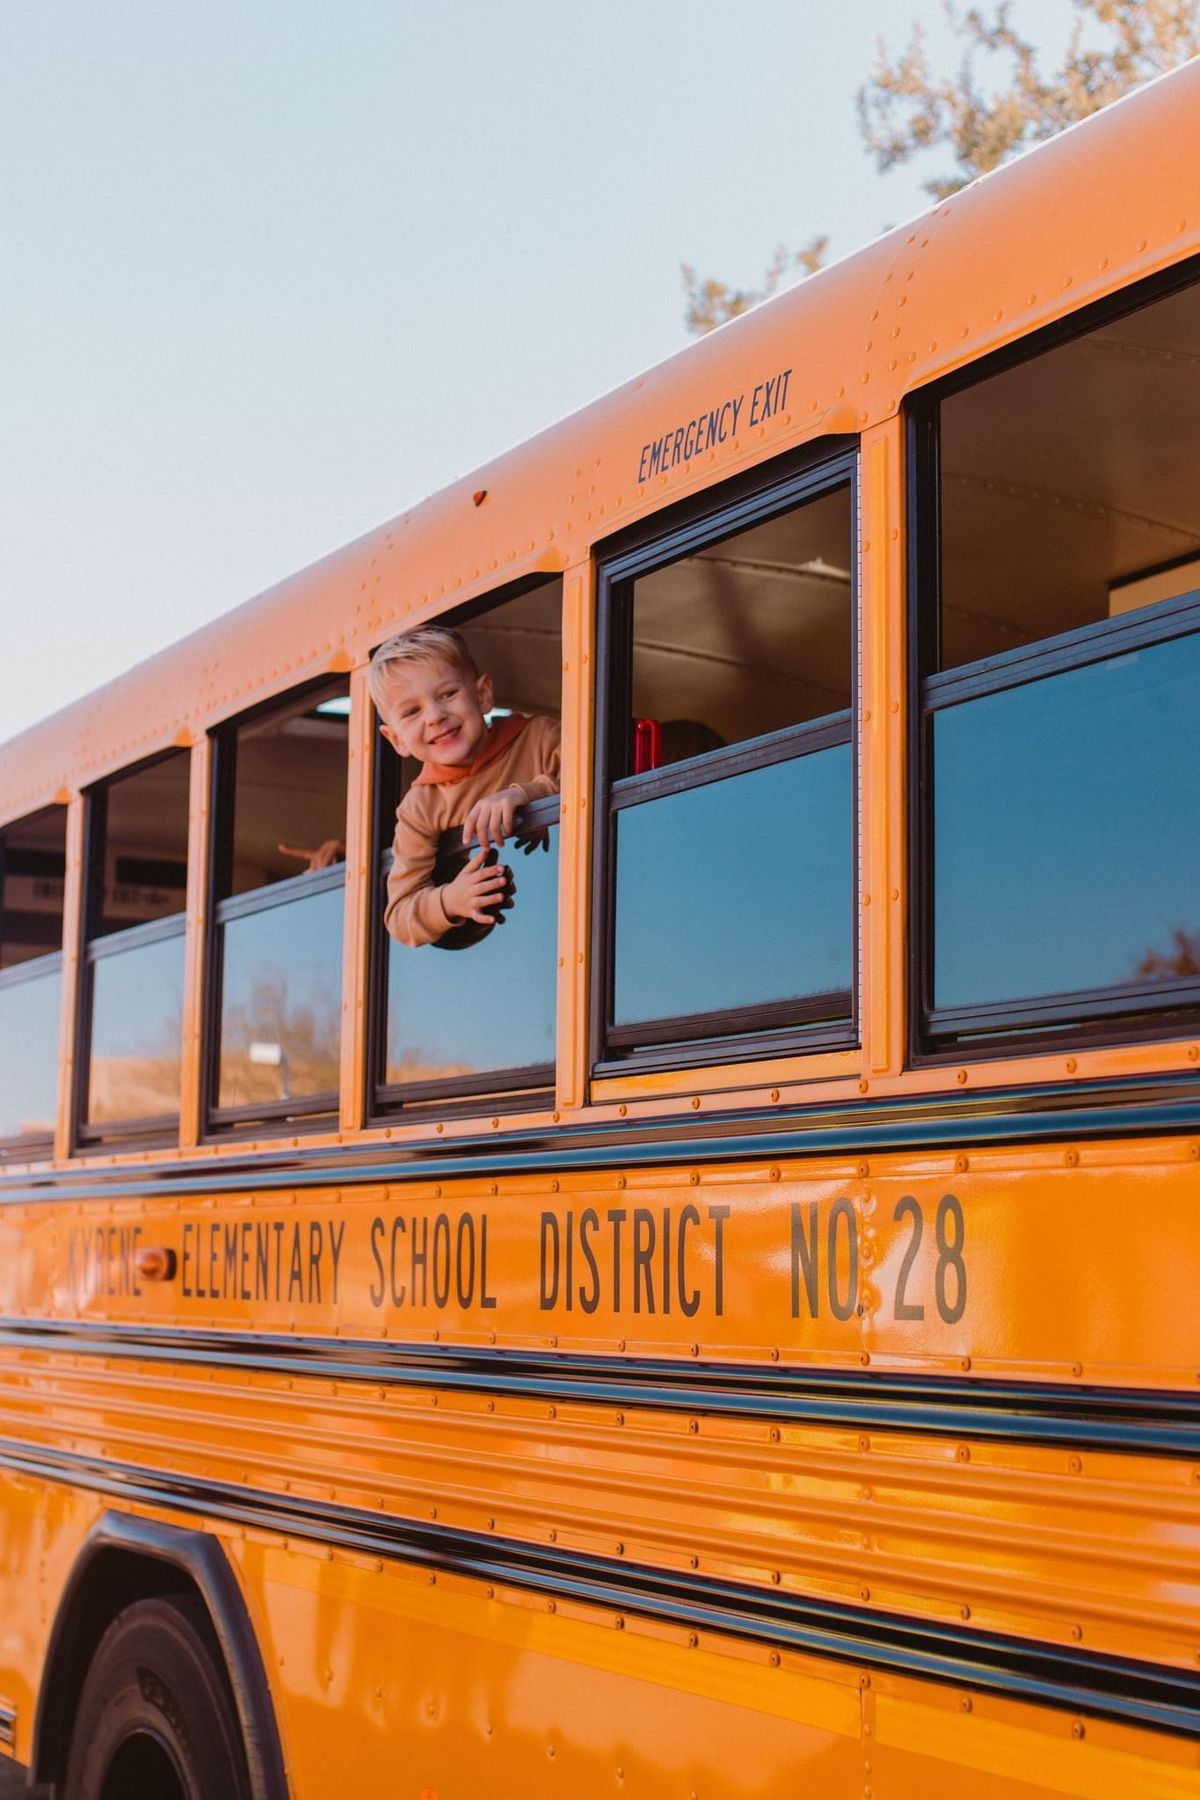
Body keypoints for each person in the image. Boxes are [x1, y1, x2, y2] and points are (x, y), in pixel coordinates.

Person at [370, 625, 561, 947]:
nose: (434, 716)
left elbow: (598, 781)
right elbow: (400, 915)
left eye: (448, 694)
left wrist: (524, 794)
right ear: (396, 739)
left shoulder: (541, 738)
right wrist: (452, 900)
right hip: (519, 945)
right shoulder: (420, 807)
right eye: (412, 711)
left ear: (483, 694)